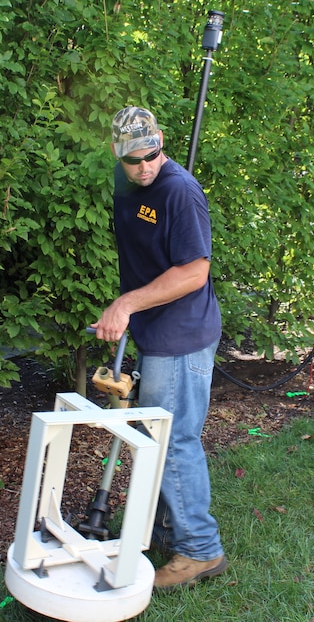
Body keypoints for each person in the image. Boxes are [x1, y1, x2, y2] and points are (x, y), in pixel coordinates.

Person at [92, 106, 228, 589]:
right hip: (154, 330)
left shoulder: (178, 191)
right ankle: (161, 529)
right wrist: (131, 311)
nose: (145, 166)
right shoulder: (125, 182)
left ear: (161, 141)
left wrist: (126, 304)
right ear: (117, 153)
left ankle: (200, 550)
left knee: (171, 442)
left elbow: (194, 272)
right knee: (154, 438)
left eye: (152, 155)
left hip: (182, 335)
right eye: (134, 160)